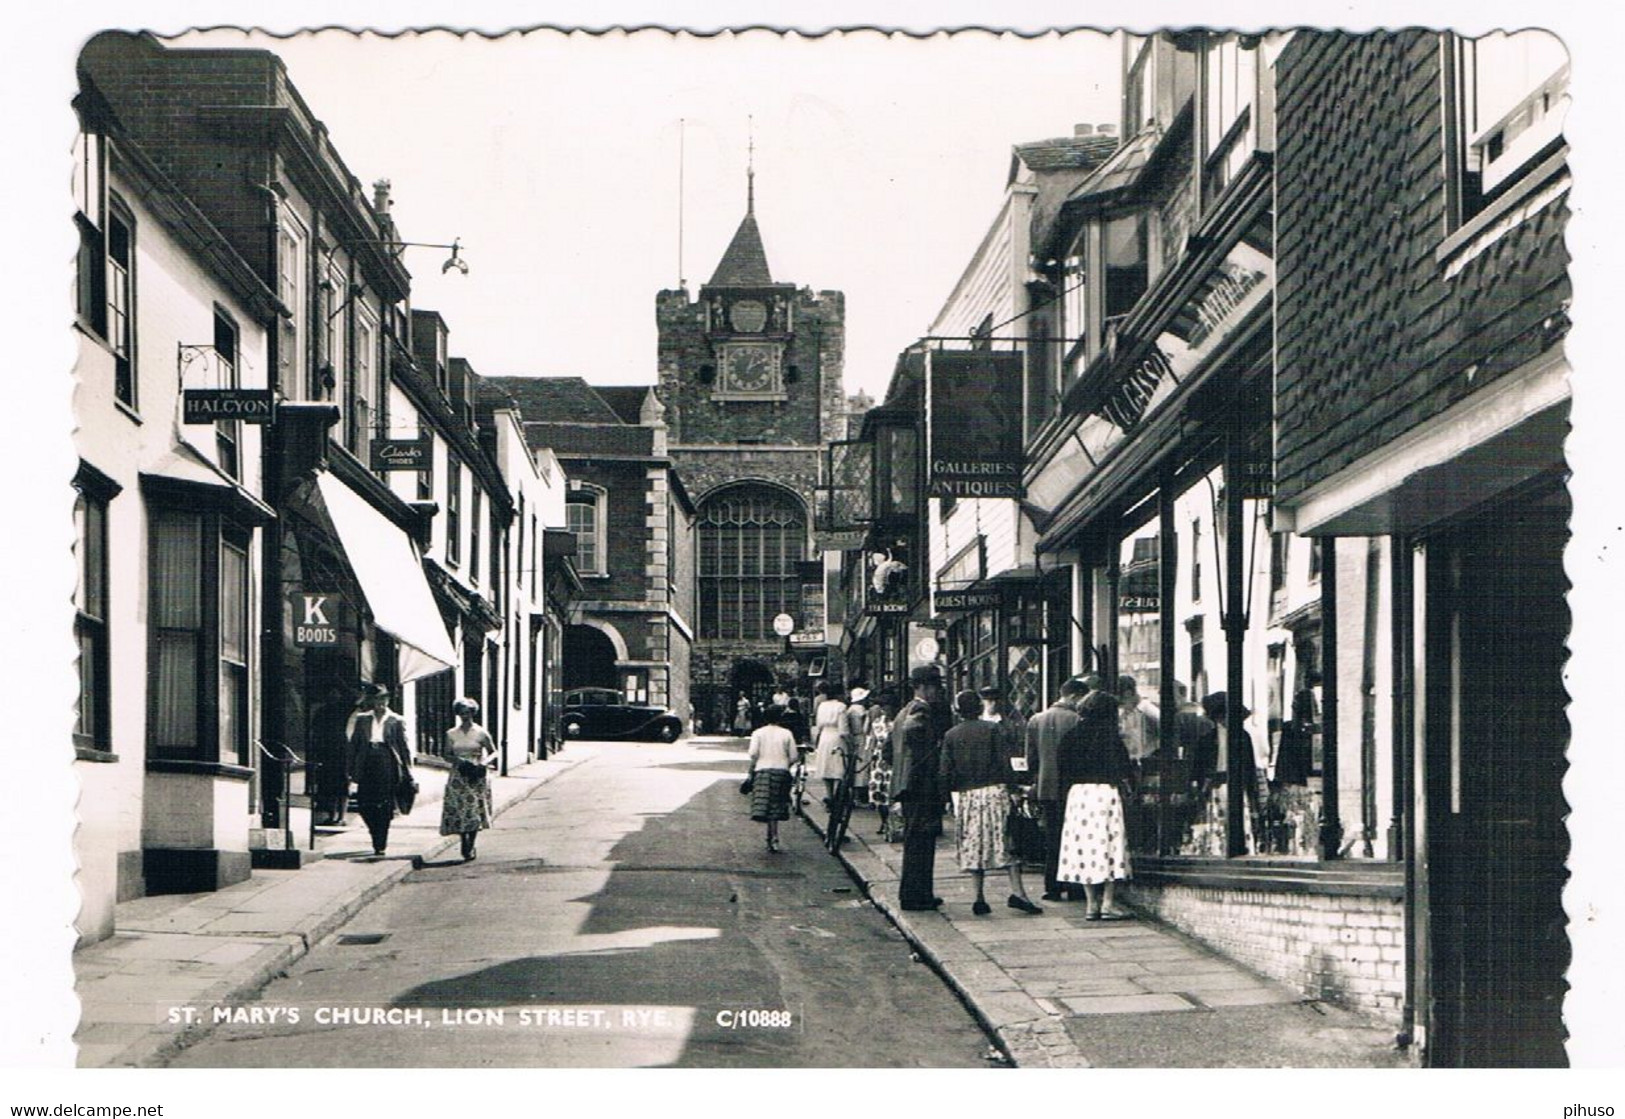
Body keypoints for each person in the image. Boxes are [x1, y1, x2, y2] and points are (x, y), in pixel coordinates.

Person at [941, 690, 1043, 916]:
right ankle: (1018, 893)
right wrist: (1014, 788)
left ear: (958, 711)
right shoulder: (993, 730)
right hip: (995, 792)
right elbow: (1005, 764)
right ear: (979, 708)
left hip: (968, 795)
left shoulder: (951, 735)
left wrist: (949, 796)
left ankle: (979, 897)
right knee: (1006, 842)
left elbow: (946, 771)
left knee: (974, 844)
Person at [1056, 676, 1134, 920]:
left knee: (1086, 849)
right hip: (1105, 793)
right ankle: (1108, 903)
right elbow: (1125, 770)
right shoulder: (1112, 739)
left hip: (1079, 796)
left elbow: (1063, 770)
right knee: (1109, 847)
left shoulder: (1070, 737)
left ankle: (1091, 904)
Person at [890, 664, 952, 911]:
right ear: (924, 687)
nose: (938, 692)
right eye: (935, 687)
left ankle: (918, 892)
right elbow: (917, 741)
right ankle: (916, 895)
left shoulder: (903, 711)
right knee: (921, 842)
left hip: (908, 784)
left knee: (916, 840)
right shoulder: (920, 710)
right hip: (920, 785)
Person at [1025, 677, 1086, 901]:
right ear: (1073, 696)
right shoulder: (1078, 719)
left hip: (1045, 788)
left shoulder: (1035, 720)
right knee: (1075, 837)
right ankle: (1074, 886)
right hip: (1072, 788)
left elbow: (1030, 760)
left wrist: (1036, 779)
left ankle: (1052, 886)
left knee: (1052, 837)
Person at [346, 684, 414, 857]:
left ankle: (380, 841)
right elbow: (354, 745)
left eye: (383, 699)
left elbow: (404, 748)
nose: (380, 704)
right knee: (364, 803)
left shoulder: (396, 720)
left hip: (387, 761)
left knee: (384, 804)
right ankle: (374, 831)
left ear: (388, 700)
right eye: (377, 700)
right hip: (366, 760)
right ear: (372, 701)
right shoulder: (363, 719)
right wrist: (350, 769)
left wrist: (409, 772)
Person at [440, 697, 497, 861]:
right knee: (460, 809)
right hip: (459, 775)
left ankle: (469, 843)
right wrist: (458, 761)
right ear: (458, 714)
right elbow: (446, 754)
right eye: (462, 713)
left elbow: (494, 751)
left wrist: (484, 762)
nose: (465, 716)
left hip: (476, 774)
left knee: (473, 810)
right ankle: (463, 837)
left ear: (473, 713)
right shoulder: (451, 734)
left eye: (468, 713)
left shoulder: (480, 732)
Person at [746, 705, 798, 852]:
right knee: (776, 804)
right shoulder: (786, 733)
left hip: (763, 769)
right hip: (781, 771)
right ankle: (773, 836)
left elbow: (753, 753)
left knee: (765, 805)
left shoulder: (758, 733)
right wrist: (785, 764)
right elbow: (793, 756)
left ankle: (771, 836)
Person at [809, 680, 851, 807]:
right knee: (838, 767)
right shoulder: (841, 707)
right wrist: (850, 744)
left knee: (826, 767)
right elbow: (843, 729)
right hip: (836, 737)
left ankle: (829, 795)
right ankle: (839, 797)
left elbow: (819, 723)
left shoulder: (822, 706)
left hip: (824, 737)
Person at [866, 690, 898, 838]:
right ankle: (884, 821)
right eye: (883, 707)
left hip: (894, 760)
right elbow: (871, 741)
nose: (885, 710)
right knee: (879, 793)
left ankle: (894, 822)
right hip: (880, 761)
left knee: (892, 792)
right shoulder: (877, 723)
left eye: (887, 707)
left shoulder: (898, 723)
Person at [845, 685, 872, 803]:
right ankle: (859, 794)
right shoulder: (861, 710)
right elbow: (865, 727)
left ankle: (854, 795)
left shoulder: (850, 709)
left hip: (853, 738)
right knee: (862, 765)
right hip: (861, 737)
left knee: (854, 765)